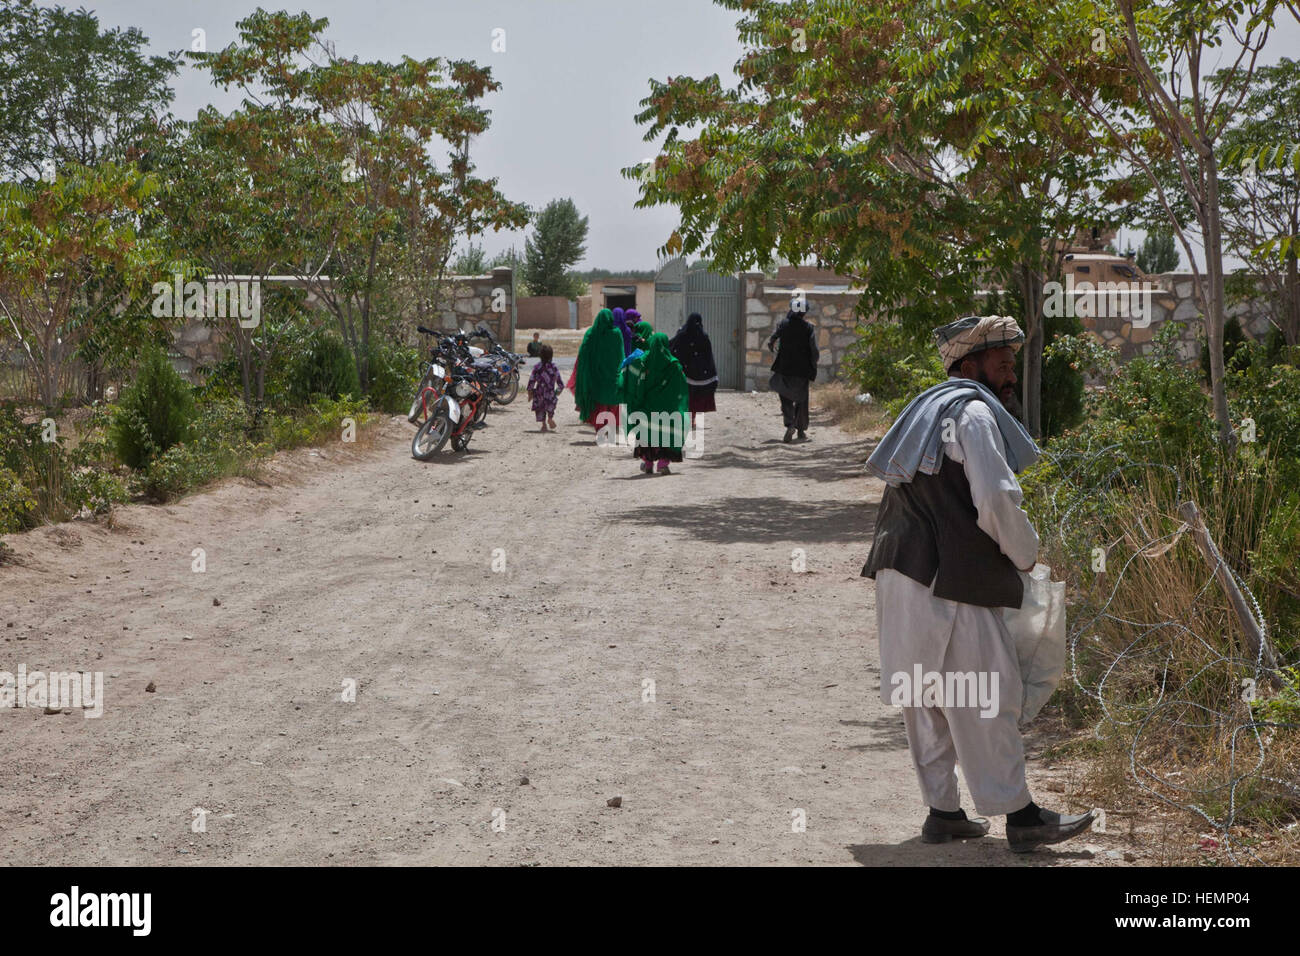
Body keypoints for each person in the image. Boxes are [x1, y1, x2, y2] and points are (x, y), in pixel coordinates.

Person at [861, 314, 1097, 853]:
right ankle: (1022, 817)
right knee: (988, 693)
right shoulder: (971, 413)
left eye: (1013, 362)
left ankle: (943, 813)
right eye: (1002, 363)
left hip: (900, 571)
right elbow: (995, 499)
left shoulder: (925, 408)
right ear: (969, 366)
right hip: (949, 579)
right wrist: (1025, 553)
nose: (1010, 374)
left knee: (924, 696)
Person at [619, 332, 689, 475]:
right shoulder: (674, 365)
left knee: (646, 433)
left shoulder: (643, 361)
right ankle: (663, 463)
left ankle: (648, 463)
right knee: (668, 432)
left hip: (646, 408)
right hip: (668, 410)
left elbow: (630, 376)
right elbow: (681, 387)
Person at [767, 298, 818, 443]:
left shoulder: (783, 324)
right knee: (801, 399)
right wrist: (813, 365)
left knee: (785, 397)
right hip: (802, 370)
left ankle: (790, 424)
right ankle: (800, 430)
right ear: (804, 312)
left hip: (785, 368)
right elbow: (814, 350)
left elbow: (771, 341)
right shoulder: (808, 328)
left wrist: (774, 349)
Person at [573, 308, 624, 428]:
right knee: (612, 401)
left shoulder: (591, 333)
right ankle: (610, 429)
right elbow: (621, 356)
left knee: (599, 403)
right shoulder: (616, 333)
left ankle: (600, 429)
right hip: (613, 376)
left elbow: (583, 355)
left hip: (596, 377)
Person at [669, 312, 718, 428]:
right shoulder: (703, 336)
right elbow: (709, 356)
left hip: (685, 372)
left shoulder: (682, 334)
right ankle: (692, 420)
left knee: (687, 396)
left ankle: (686, 419)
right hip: (700, 373)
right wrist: (711, 371)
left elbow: (672, 346)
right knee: (696, 397)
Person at [526, 344, 563, 432]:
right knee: (551, 407)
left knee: (540, 409)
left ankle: (543, 424)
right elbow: (560, 384)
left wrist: (530, 393)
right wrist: (556, 393)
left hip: (539, 393)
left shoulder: (537, 367)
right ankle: (550, 418)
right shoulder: (554, 367)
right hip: (550, 393)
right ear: (551, 355)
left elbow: (531, 381)